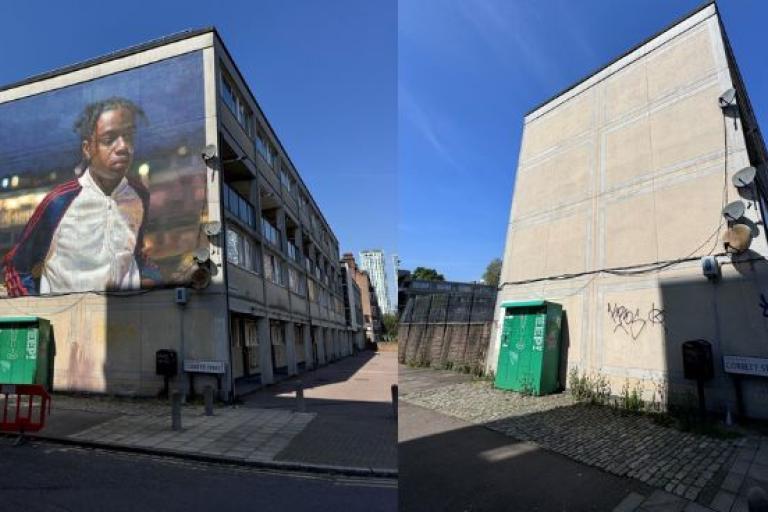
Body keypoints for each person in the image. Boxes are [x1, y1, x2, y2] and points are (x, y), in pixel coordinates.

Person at [3, 97, 160, 296]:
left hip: (125, 320)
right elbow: (16, 266)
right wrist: (39, 314)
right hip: (66, 322)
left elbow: (136, 254)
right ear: (87, 149)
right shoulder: (59, 202)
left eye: (128, 137)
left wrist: (153, 279)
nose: (122, 147)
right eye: (109, 139)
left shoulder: (139, 195)